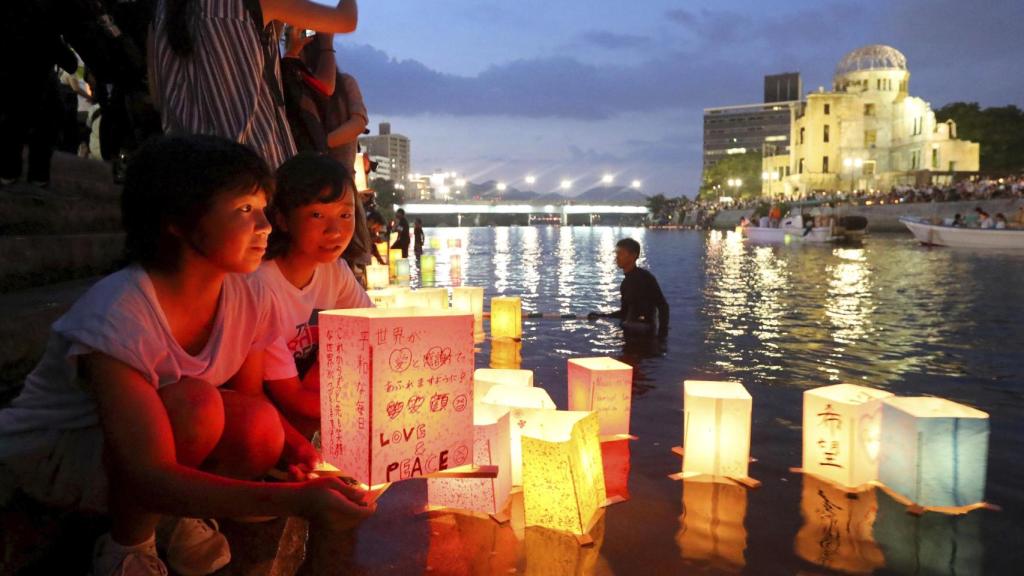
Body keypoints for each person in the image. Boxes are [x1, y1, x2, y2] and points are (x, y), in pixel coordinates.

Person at [0, 135, 373, 576]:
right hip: (60, 453)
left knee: (258, 426)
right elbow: (147, 471)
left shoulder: (244, 296)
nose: (265, 226)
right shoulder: (121, 312)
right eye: (244, 210)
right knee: (197, 404)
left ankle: (175, 514)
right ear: (177, 220)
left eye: (262, 207)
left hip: (148, 439)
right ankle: (128, 546)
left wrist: (304, 457)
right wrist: (298, 501)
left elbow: (251, 402)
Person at [249, 153, 372, 446]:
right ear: (282, 219)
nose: (335, 230)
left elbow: (373, 334)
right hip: (271, 412)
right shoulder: (260, 285)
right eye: (317, 215)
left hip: (314, 401)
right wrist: (365, 410)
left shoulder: (335, 271)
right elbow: (287, 395)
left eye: (345, 214)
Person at [149, 0, 359, 168]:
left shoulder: (162, 8)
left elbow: (157, 93)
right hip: (255, 170)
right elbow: (346, 20)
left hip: (190, 170)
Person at [587, 238, 670, 339]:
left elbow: (662, 305)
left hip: (644, 334)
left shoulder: (646, 278)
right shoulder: (625, 283)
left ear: (633, 256)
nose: (617, 258)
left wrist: (662, 335)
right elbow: (624, 312)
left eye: (621, 254)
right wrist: (602, 316)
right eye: (616, 254)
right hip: (630, 331)